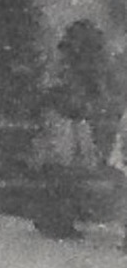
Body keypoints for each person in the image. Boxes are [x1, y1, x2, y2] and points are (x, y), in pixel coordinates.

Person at [31, 19, 108, 239]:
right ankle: (54, 218)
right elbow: (53, 91)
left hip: (73, 120)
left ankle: (61, 217)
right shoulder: (63, 65)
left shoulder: (83, 66)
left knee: (69, 172)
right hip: (62, 119)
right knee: (59, 170)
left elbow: (93, 94)